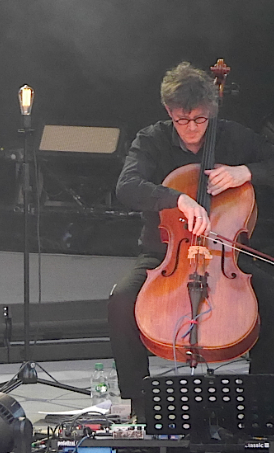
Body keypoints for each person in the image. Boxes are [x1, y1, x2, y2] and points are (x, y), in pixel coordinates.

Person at [109, 61, 274, 422]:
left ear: (210, 111)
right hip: (164, 254)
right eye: (182, 120)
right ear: (169, 112)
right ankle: (140, 402)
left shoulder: (234, 137)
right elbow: (126, 186)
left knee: (272, 296)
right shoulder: (151, 139)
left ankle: (264, 403)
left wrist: (245, 172)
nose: (191, 129)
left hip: (226, 255)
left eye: (199, 120)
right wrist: (177, 198)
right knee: (121, 300)